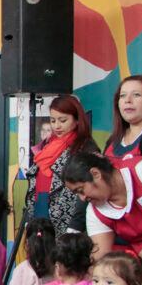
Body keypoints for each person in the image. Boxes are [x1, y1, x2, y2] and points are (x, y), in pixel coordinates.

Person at [62, 152, 142, 259]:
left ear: (96, 174)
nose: (82, 198)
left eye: (81, 190)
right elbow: (100, 254)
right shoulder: (96, 211)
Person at [24, 96, 99, 235]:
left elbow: (88, 190)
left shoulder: (86, 147)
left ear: (77, 120)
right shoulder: (48, 143)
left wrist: (76, 224)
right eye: (53, 120)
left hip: (69, 218)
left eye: (63, 120)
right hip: (41, 207)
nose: (57, 126)